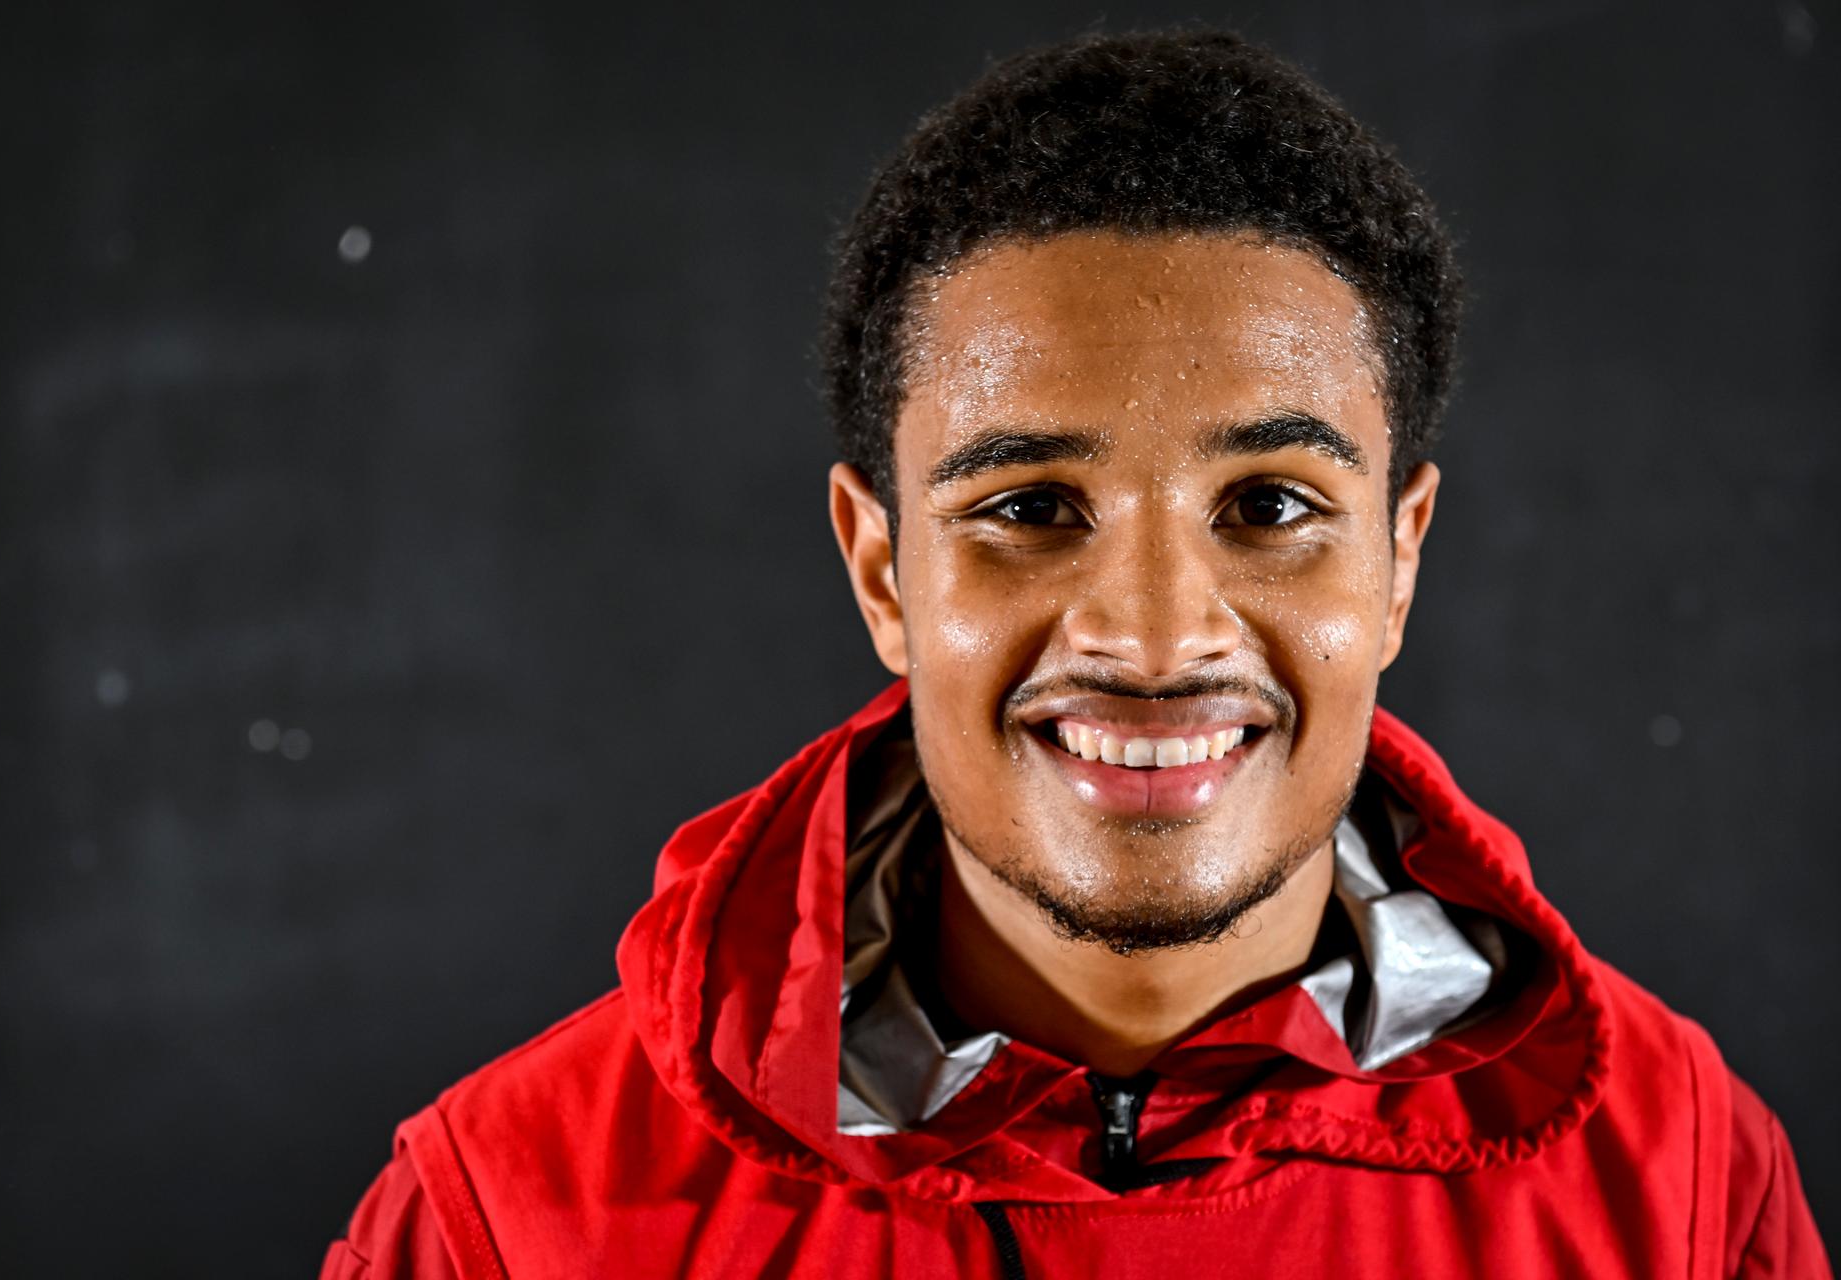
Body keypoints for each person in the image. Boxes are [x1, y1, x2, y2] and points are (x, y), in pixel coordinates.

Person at [321, 29, 1829, 1279]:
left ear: (1400, 561)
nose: (1156, 636)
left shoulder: (1685, 1182)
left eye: (1272, 506)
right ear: (883, 569)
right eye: (1030, 508)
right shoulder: (506, 1216)